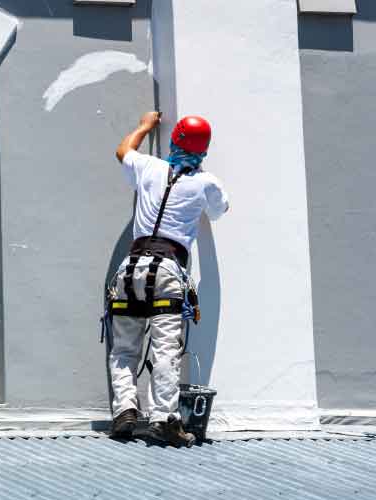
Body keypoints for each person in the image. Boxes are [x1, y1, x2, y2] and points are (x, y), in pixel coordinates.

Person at [107, 111, 229, 447]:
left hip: (131, 268)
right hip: (167, 270)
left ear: (174, 140)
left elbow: (122, 151)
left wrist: (145, 126)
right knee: (165, 349)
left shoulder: (149, 167)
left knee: (124, 348)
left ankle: (125, 411)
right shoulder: (206, 183)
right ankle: (163, 419)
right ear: (204, 150)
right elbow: (220, 210)